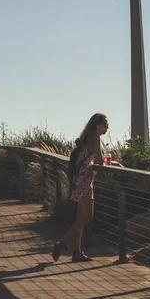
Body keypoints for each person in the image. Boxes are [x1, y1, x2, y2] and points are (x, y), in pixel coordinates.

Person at [52, 112, 109, 263]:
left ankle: (77, 252)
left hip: (78, 178)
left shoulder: (87, 136)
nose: (107, 127)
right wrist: (113, 164)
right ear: (98, 125)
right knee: (87, 217)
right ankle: (62, 243)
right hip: (84, 180)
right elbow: (99, 162)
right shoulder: (95, 138)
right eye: (105, 124)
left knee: (80, 217)